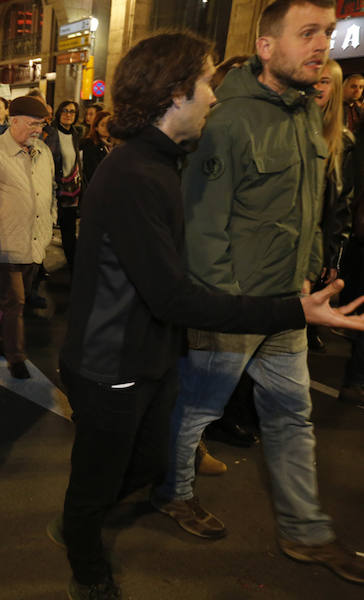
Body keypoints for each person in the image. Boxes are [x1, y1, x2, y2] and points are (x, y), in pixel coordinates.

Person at [55, 29, 364, 599]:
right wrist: (293, 311)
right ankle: (84, 557)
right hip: (110, 365)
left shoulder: (162, 164)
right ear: (174, 92)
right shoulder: (135, 175)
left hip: (148, 356)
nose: (214, 96)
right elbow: (172, 296)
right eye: (203, 82)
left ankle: (84, 524)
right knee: (96, 483)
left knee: (148, 463)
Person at [156, 0, 364, 586]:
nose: (323, 44)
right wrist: (232, 305)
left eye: (327, 31)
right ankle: (173, 492)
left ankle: (306, 533)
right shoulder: (227, 119)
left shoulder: (303, 111)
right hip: (235, 307)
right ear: (267, 46)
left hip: (288, 306)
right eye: (308, 33)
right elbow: (203, 228)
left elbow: (304, 208)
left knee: (293, 417)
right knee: (197, 410)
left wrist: (311, 269)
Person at [0, 96, 55, 379]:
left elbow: (50, 190)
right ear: (14, 121)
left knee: (10, 302)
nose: (38, 130)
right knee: (16, 302)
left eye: (41, 125)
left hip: (35, 242)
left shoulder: (43, 152)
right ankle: (16, 357)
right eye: (33, 124)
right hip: (6, 245)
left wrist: (50, 222)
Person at [309, 59, 354, 351]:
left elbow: (341, 205)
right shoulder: (291, 127)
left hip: (314, 246)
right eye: (314, 78)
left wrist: (333, 258)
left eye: (325, 81)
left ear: (336, 89)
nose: (317, 85)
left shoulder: (343, 142)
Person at [43, 100, 82, 270]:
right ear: (59, 113)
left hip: (71, 190)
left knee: (68, 230)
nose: (68, 114)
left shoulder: (75, 134)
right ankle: (39, 268)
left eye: (72, 112)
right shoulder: (50, 133)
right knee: (45, 229)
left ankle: (74, 267)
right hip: (53, 188)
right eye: (65, 111)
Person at [79, 110, 113, 186]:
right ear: (96, 127)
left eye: (109, 124)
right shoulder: (89, 144)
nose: (107, 128)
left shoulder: (113, 145)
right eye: (103, 125)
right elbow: (91, 172)